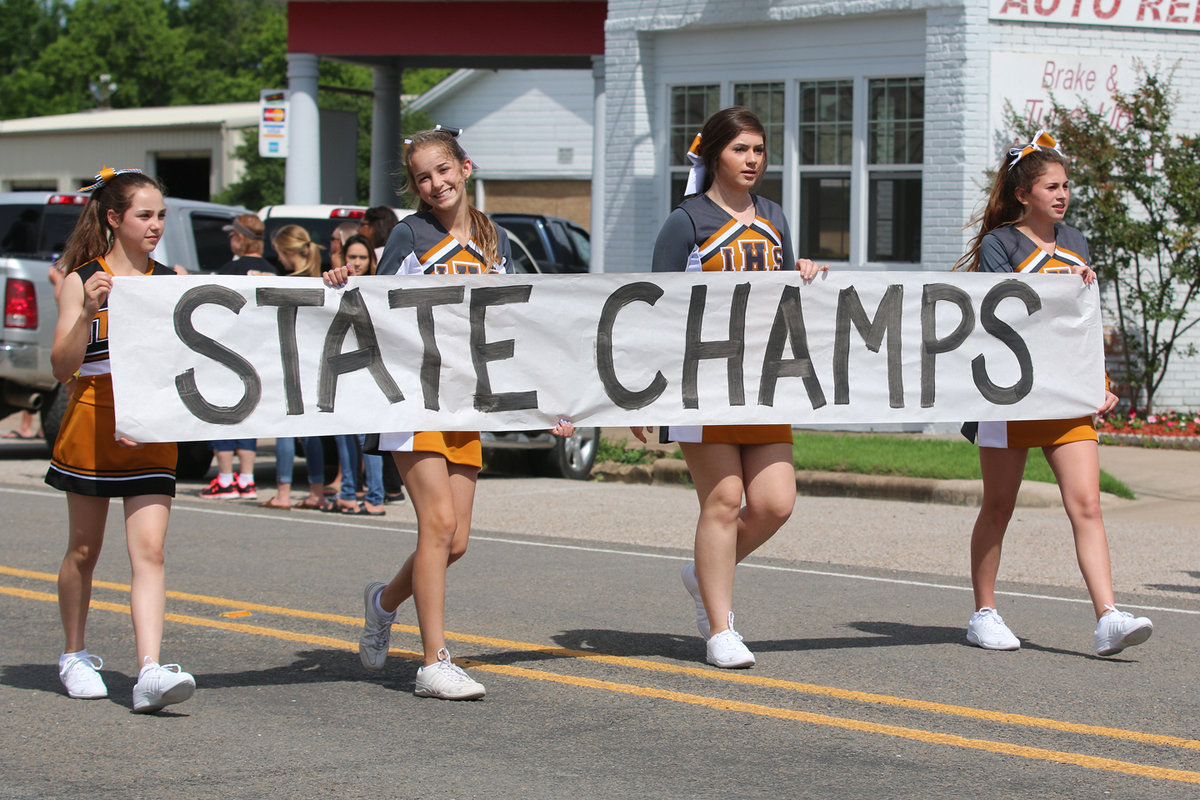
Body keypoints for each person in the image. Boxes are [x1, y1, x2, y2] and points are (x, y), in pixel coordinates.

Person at [325, 126, 574, 699]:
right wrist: (342, 282)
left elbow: (515, 325)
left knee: (454, 541)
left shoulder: (495, 240)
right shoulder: (410, 236)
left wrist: (552, 401)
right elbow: (376, 310)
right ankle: (434, 661)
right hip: (414, 398)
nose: (435, 183)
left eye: (443, 170)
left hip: (467, 400)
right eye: (422, 177)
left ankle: (382, 602)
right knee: (435, 525)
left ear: (466, 167)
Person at [633, 107, 827, 669]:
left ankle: (703, 572)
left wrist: (805, 272)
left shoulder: (773, 216)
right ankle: (721, 627)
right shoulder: (686, 221)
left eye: (759, 150)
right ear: (715, 153)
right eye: (741, 149)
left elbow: (784, 291)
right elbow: (654, 305)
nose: (752, 160)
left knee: (774, 503)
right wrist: (644, 393)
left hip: (763, 379)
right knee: (722, 500)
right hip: (701, 382)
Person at [954, 130, 1152, 656]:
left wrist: (1100, 384)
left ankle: (1108, 615)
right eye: (1051, 186)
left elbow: (1084, 326)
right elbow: (999, 316)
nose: (1062, 195)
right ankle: (984, 612)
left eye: (1066, 186)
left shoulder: (1078, 242)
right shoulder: (1001, 244)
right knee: (998, 506)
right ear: (1024, 194)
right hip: (1011, 396)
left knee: (1087, 504)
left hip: (1065, 396)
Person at [45, 166, 195, 712]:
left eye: (161, 215)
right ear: (114, 218)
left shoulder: (171, 281)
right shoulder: (79, 278)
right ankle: (74, 653)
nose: (156, 225)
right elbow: (62, 368)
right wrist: (86, 310)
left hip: (151, 429)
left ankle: (150, 669)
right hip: (92, 419)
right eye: (145, 215)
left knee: (150, 550)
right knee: (84, 550)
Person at [200, 214, 269, 499]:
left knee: (223, 412)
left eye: (232, 236)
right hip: (259, 352)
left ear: (240, 238)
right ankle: (248, 478)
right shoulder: (270, 269)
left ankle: (226, 477)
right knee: (248, 413)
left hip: (227, 353)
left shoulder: (229, 270)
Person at [328, 234, 386, 516]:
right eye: (352, 257)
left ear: (371, 260)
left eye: (363, 257)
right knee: (344, 435)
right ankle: (348, 492)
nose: (357, 263)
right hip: (342, 370)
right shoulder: (336, 286)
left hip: (370, 371)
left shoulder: (379, 287)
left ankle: (375, 496)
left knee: (367, 438)